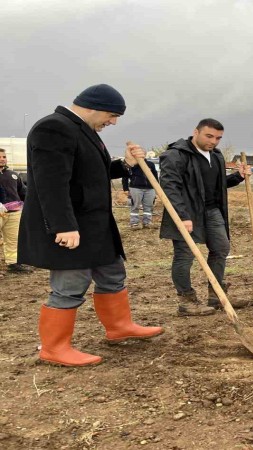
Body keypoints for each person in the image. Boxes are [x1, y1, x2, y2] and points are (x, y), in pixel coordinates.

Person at [18, 84, 164, 367]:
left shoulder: (83, 131)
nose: (113, 122)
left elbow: (90, 173)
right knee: (70, 284)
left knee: (112, 275)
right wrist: (63, 226)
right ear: (92, 106)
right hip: (71, 226)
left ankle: (119, 327)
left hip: (96, 226)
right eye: (111, 115)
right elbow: (51, 183)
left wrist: (126, 164)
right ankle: (54, 347)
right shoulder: (53, 128)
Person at [159, 118, 250, 316]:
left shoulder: (216, 156)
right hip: (185, 212)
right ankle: (186, 301)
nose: (213, 141)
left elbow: (217, 185)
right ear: (196, 132)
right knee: (185, 255)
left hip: (212, 211)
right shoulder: (175, 155)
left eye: (218, 138)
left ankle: (216, 295)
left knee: (221, 248)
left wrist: (238, 176)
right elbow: (169, 188)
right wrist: (181, 215)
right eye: (209, 136)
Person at [0, 148, 32, 273]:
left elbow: (23, 191)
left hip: (14, 213)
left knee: (13, 239)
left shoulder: (13, 174)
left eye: (4, 156)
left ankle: (13, 263)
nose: (2, 159)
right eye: (0, 157)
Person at [121, 158, 158, 229]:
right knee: (135, 205)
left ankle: (147, 222)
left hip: (150, 189)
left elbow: (155, 176)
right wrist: (125, 188)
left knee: (149, 206)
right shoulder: (132, 164)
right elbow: (125, 176)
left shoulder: (150, 164)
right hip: (135, 188)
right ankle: (134, 223)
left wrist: (157, 187)